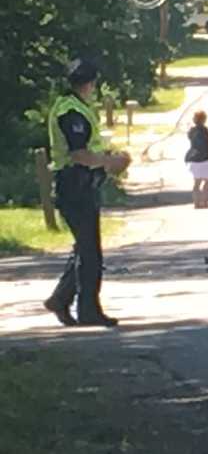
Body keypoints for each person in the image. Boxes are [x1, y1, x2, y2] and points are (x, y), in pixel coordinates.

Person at [43, 58, 130, 328]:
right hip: (74, 183)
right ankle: (88, 310)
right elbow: (79, 154)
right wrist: (111, 162)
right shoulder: (71, 112)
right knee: (90, 251)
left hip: (82, 183)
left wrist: (107, 158)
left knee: (85, 247)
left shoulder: (77, 106)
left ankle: (60, 299)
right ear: (91, 83)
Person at [185, 110, 208, 209]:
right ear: (204, 120)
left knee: (197, 182)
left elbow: (191, 138)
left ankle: (196, 203)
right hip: (205, 158)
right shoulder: (205, 130)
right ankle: (204, 202)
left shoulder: (192, 131)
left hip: (194, 158)